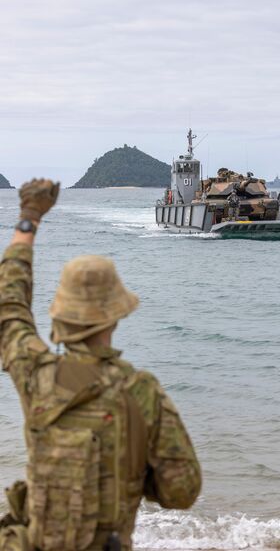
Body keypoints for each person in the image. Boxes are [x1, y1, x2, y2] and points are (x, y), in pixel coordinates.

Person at [0, 179, 201, 551]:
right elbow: (182, 491)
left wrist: (29, 218)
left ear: (60, 315)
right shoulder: (142, 392)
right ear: (114, 317)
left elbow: (9, 305)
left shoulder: (36, 376)